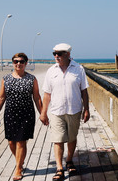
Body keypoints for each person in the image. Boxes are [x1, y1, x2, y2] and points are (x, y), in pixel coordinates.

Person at [39, 43, 90, 181]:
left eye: (59, 54)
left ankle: (69, 160)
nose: (56, 56)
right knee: (58, 139)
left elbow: (84, 91)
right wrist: (43, 113)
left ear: (67, 54)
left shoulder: (79, 69)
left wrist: (87, 109)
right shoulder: (51, 71)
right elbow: (47, 94)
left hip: (74, 110)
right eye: (54, 53)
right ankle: (59, 168)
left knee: (72, 137)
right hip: (56, 111)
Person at [0, 53, 42, 181]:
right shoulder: (6, 79)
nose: (18, 64)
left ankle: (18, 168)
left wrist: (42, 113)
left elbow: (37, 97)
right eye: (15, 61)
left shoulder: (32, 79)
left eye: (21, 61)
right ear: (13, 63)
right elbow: (1, 97)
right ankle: (20, 161)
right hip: (10, 113)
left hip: (26, 113)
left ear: (26, 63)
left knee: (21, 141)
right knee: (11, 142)